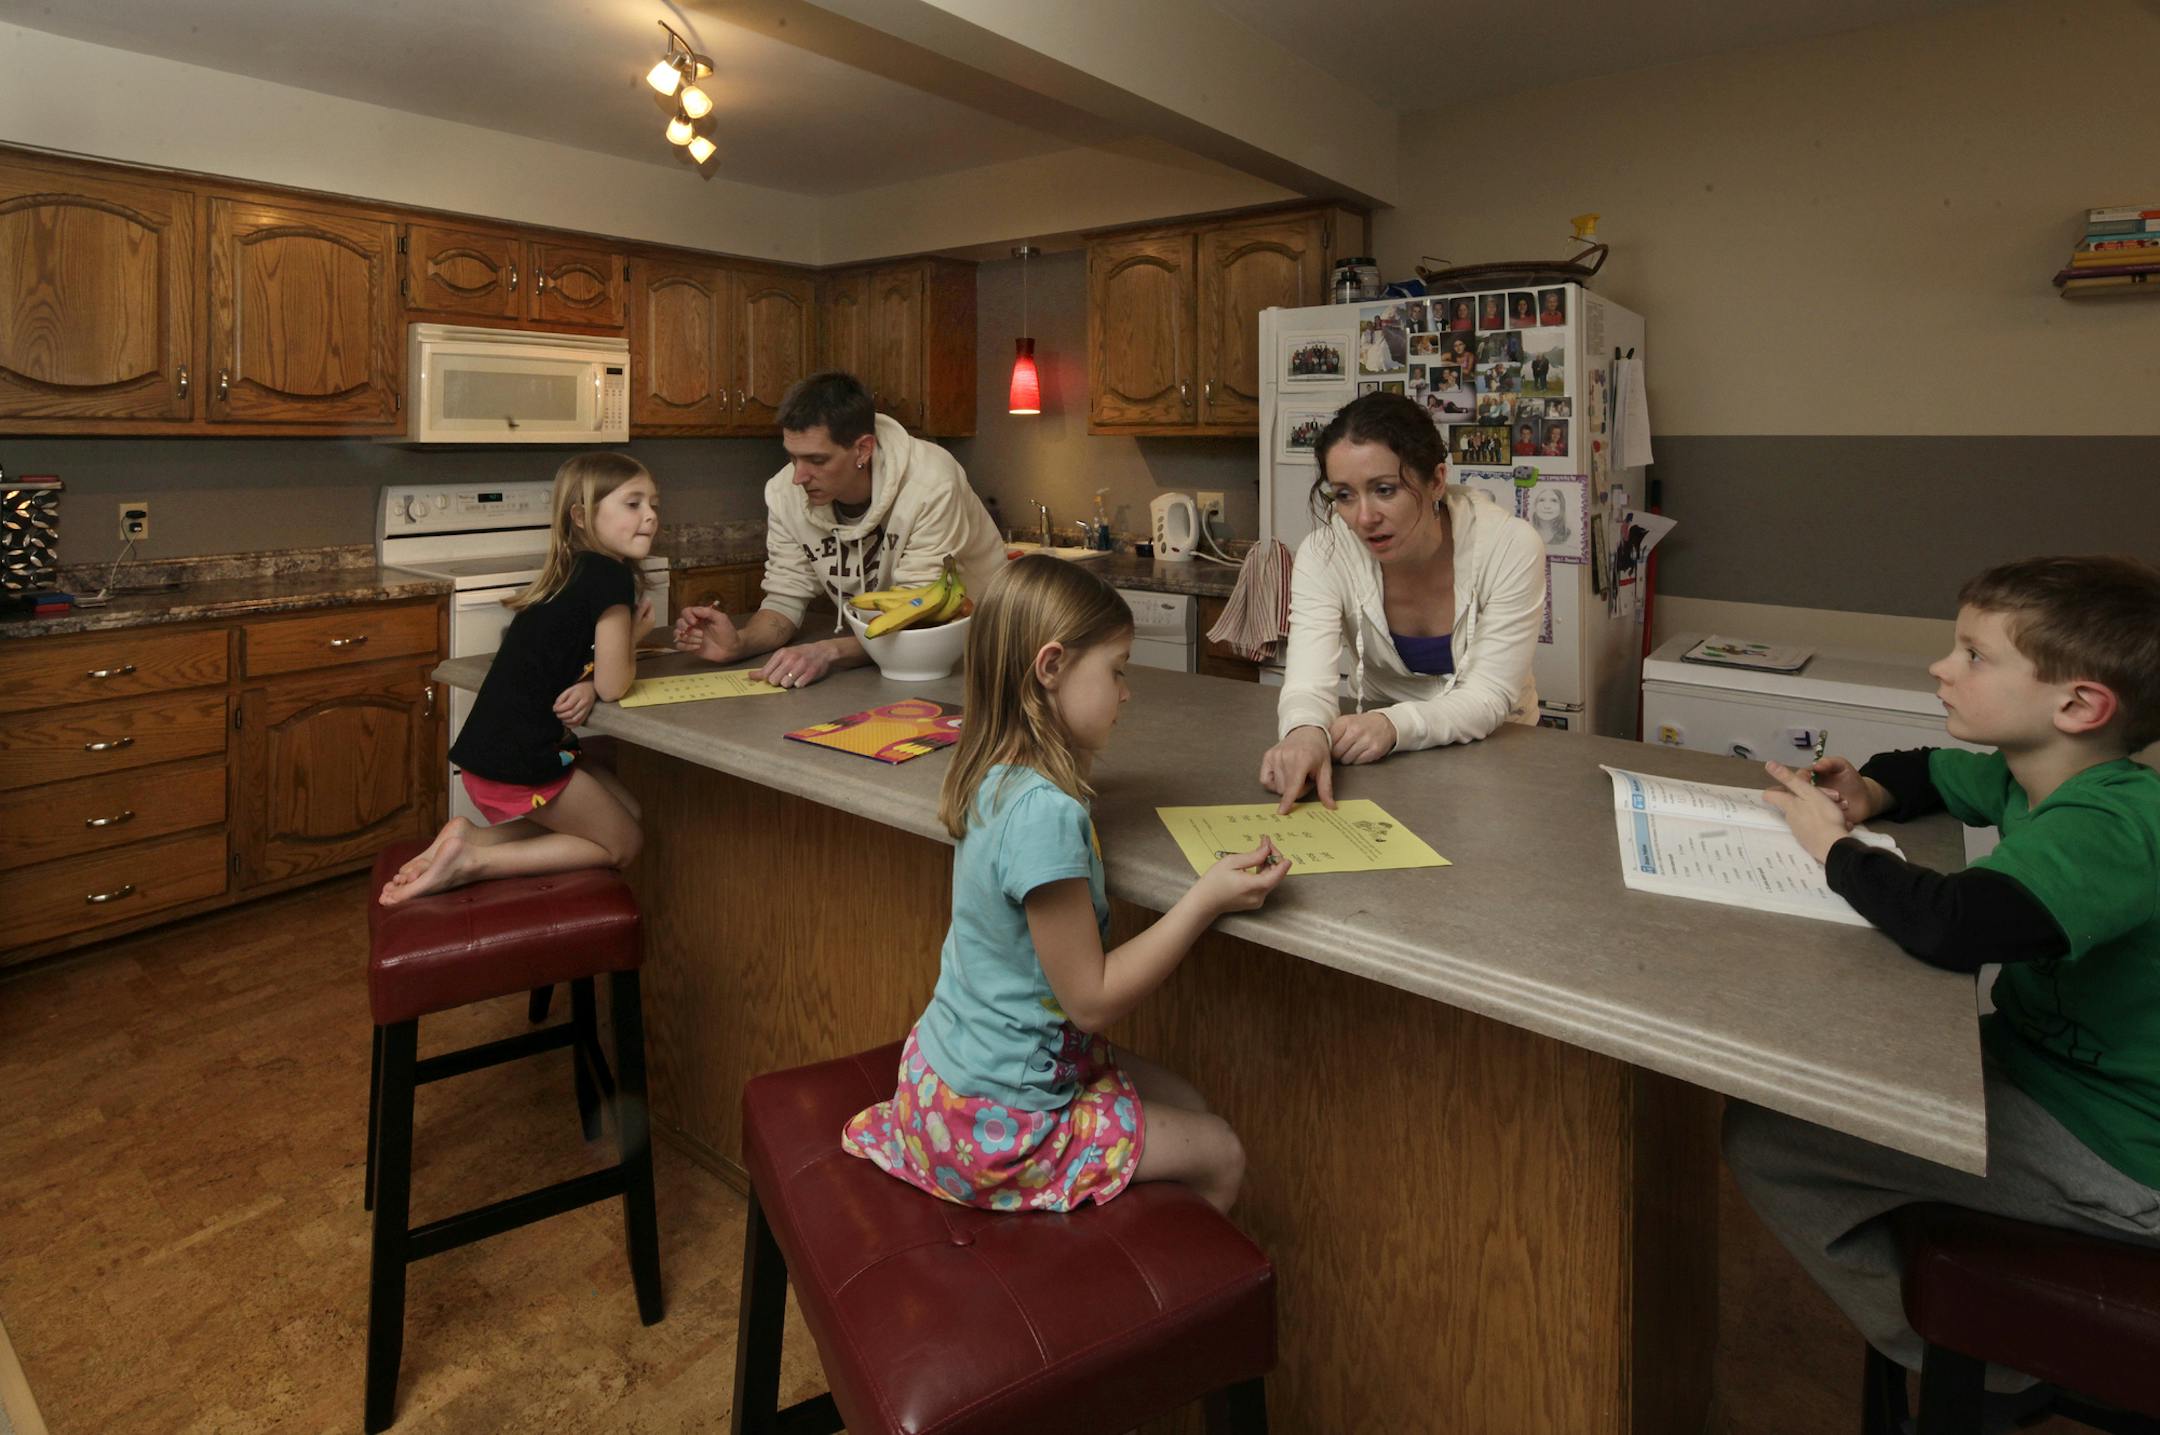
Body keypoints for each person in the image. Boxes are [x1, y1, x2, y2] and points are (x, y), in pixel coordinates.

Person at [1729, 555, 2160, 1419]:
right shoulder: (2026, 768)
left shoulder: (2120, 823)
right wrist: (1870, 790)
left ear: (2078, 704)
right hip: (2039, 1071)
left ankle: (1995, 1354)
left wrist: (1831, 844)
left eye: (1974, 655)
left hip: (2122, 1150)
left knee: (1767, 1136)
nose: (1941, 667)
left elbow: (1953, 925)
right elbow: (1923, 766)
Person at [841, 557, 1291, 1214]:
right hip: (1002, 1127)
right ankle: (1140, 1314)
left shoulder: (991, 767)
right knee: (1221, 1148)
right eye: (1117, 670)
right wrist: (1206, 898)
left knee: (1187, 1104)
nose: (1127, 691)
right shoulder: (1044, 815)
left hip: (943, 1081)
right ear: (1050, 667)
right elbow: (1092, 999)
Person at [381, 453, 659, 905]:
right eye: (633, 503)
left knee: (630, 809)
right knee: (626, 844)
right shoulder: (611, 576)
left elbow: (572, 665)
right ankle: (473, 862)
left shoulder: (574, 572)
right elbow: (614, 684)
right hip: (523, 761)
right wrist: (634, 638)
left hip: (490, 752)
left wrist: (590, 680)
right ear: (583, 517)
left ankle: (471, 836)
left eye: (653, 504)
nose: (650, 515)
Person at [1258, 393, 1546, 814]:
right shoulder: (1324, 555)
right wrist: (1303, 732)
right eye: (1344, 495)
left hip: (1497, 749)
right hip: (1377, 754)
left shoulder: (1510, 546)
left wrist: (1394, 725)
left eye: (1384, 490)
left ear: (1435, 481)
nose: (1363, 517)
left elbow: (1486, 696)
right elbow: (1307, 683)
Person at [672, 371, 1005, 689]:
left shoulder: (931, 482)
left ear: (862, 449)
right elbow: (785, 599)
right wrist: (739, 643)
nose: (798, 477)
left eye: (817, 461)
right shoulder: (784, 493)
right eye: (792, 458)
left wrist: (829, 651)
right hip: (886, 662)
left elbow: (919, 616)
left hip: (987, 651)